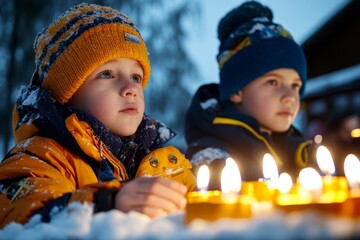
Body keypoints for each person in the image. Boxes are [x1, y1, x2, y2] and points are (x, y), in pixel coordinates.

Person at [0, 3, 196, 228]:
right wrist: (106, 204)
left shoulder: (165, 164)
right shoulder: (41, 158)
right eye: (107, 74)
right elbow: (25, 219)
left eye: (135, 77)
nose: (130, 88)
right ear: (67, 95)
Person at [184, 1, 317, 187]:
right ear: (237, 90)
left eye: (295, 85)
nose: (290, 96)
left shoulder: (300, 150)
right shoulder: (211, 156)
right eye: (272, 82)